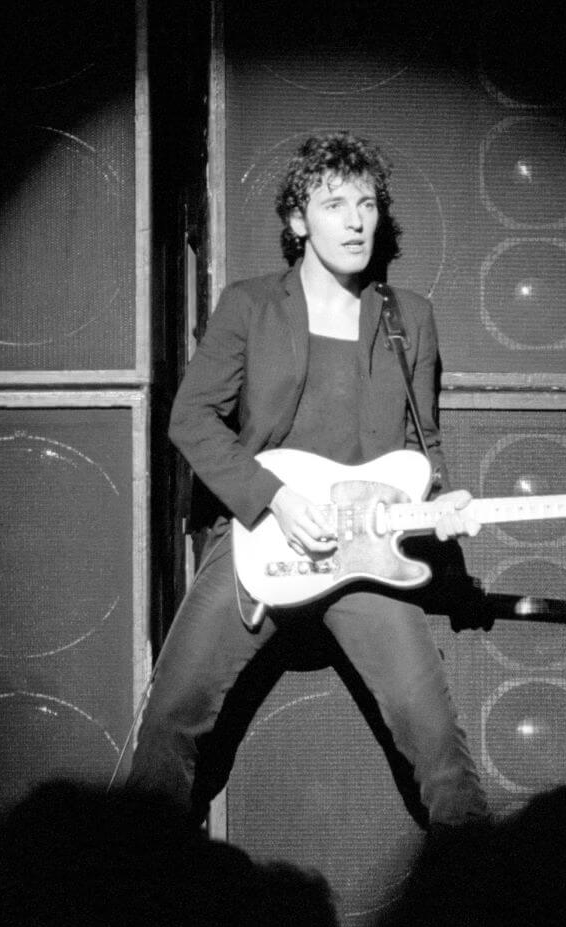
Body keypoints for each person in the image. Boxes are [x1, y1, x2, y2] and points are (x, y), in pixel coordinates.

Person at [122, 131, 488, 829]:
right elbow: (191, 419)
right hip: (261, 536)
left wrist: (440, 501)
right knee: (171, 728)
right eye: (333, 204)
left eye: (368, 203)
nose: (355, 220)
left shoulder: (410, 319)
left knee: (438, 747)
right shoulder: (251, 305)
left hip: (366, 556)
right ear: (298, 222)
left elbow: (423, 447)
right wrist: (274, 499)